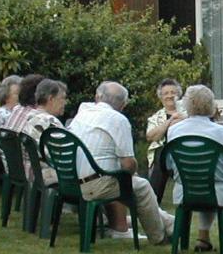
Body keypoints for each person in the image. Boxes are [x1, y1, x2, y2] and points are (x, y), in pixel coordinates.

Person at [68, 81, 175, 243]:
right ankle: (159, 237)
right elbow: (128, 164)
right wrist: (131, 173)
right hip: (95, 185)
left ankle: (170, 223)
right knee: (142, 186)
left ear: (98, 97)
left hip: (72, 181)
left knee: (132, 182)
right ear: (123, 105)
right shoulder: (118, 120)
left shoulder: (83, 112)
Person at [166, 84, 223, 254]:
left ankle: (203, 237)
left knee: (207, 180)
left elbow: (169, 165)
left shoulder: (173, 131)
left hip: (186, 191)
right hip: (219, 192)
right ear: (212, 105)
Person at [145, 78, 186, 202]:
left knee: (162, 154)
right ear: (161, 97)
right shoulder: (156, 117)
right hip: (165, 155)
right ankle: (153, 202)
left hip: (184, 150)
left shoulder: (187, 111)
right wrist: (169, 121)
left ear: (178, 95)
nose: (170, 96)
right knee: (161, 153)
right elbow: (151, 136)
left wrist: (182, 118)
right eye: (166, 93)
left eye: (173, 92)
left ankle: (152, 201)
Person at [20, 78, 67, 185]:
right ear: (51, 99)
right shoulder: (50, 122)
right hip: (46, 176)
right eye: (63, 98)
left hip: (29, 173)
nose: (65, 102)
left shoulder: (28, 117)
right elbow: (63, 158)